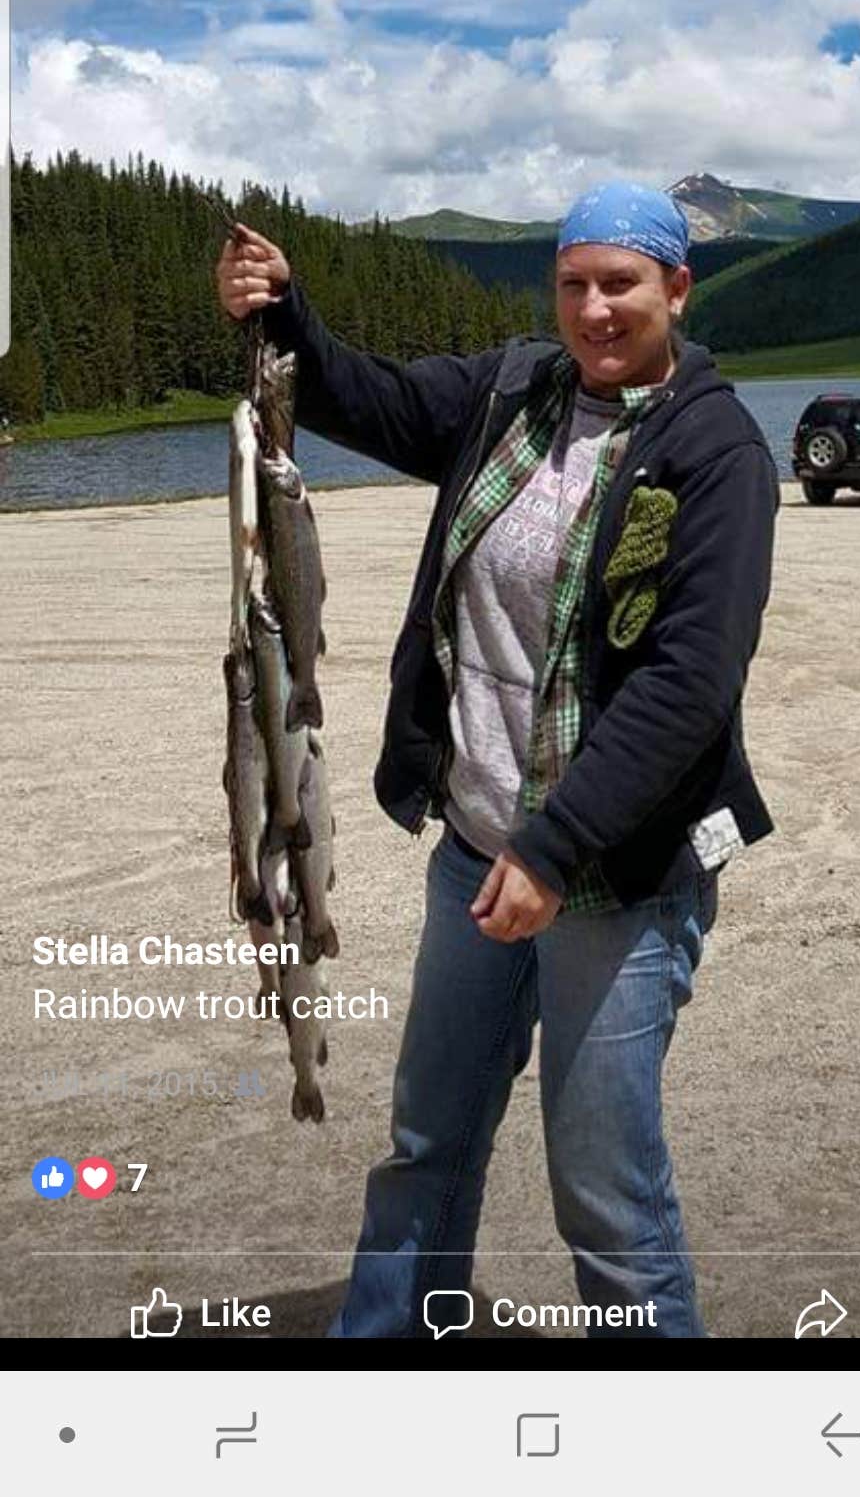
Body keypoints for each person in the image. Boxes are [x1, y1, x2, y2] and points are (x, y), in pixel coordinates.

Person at [216, 179, 778, 1339]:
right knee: (430, 1137)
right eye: (574, 283)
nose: (595, 309)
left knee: (605, 1189)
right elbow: (365, 398)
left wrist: (555, 846)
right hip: (477, 843)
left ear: (676, 288)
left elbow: (688, 688)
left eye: (620, 284)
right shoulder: (513, 393)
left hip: (612, 873)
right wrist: (283, 316)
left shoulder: (715, 450)